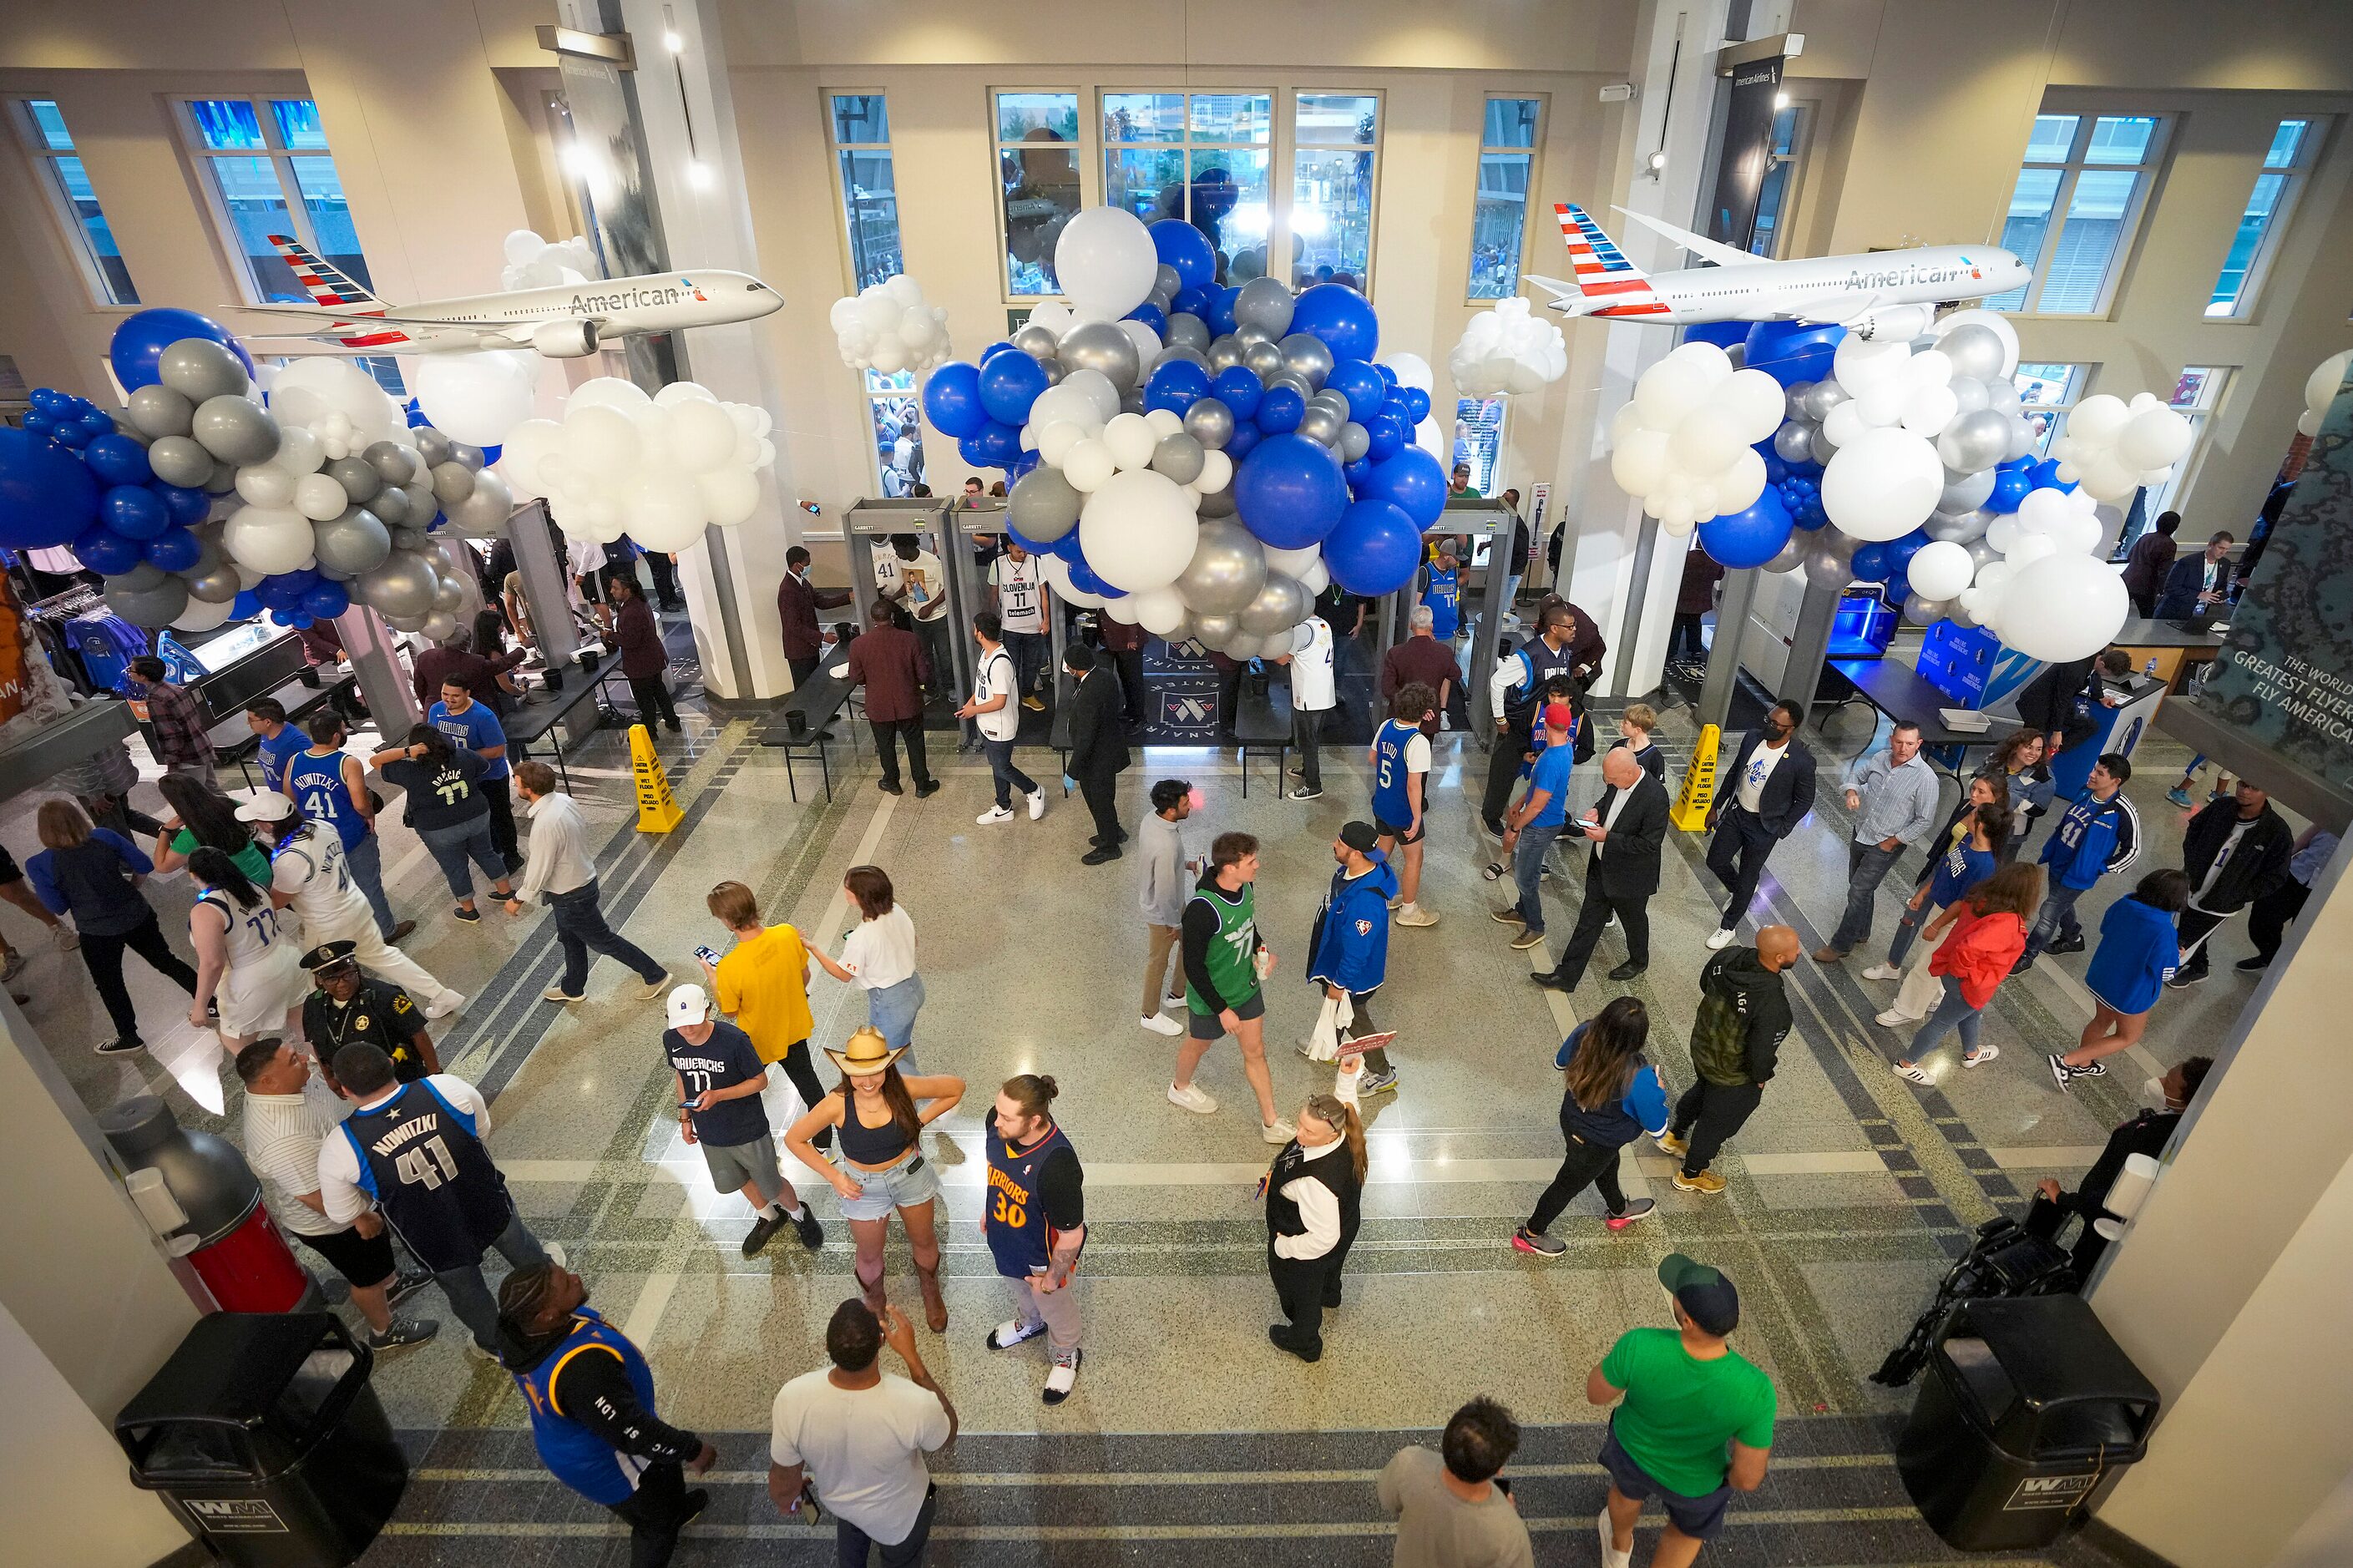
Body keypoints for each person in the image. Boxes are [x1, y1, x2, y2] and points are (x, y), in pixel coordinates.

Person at [316, 1042, 560, 1362]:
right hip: (483, 1199)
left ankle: (495, 1344)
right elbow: (481, 1131)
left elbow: (341, 1212)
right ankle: (553, 1294)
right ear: (391, 1064)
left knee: (466, 1290)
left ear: (345, 1089)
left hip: (430, 1233)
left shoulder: (340, 1146)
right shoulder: (446, 1088)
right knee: (520, 1245)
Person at [498, 1262, 714, 1568]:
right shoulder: (581, 1372)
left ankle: (674, 1508)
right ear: (545, 1315)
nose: (576, 1277)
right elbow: (633, 1432)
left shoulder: (527, 1334)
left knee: (661, 1493)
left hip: (569, 1444)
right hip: (610, 1460)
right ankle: (667, 1518)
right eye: (566, 1284)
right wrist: (691, 1449)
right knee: (655, 1525)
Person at [235, 1039, 438, 1352]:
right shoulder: (281, 1137)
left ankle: (392, 1283)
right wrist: (360, 1216)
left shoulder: (290, 1085)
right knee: (364, 1276)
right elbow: (313, 1195)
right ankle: (383, 1330)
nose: (304, 1059)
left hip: (353, 1190)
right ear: (268, 1081)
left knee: (378, 1256)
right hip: (335, 1222)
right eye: (292, 1060)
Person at [1587, 1255, 1775, 1568]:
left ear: (1687, 1321)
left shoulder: (1640, 1345)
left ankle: (1618, 1549)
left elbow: (1596, 1394)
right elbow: (1747, 1479)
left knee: (1625, 1496)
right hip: (1697, 1482)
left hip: (1631, 1451)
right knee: (1685, 1534)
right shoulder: (1756, 1389)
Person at [783, 1028, 963, 1329]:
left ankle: (930, 1289)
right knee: (868, 1254)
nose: (867, 1082)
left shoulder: (903, 1088)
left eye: (875, 1071)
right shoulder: (837, 1103)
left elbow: (955, 1088)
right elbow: (795, 1139)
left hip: (910, 1174)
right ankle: (875, 1300)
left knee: (925, 1239)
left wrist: (918, 1121)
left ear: (888, 1066)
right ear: (846, 1071)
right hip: (862, 1186)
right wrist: (834, 1177)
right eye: (857, 1073)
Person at [767, 1298, 955, 1565]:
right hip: (900, 1518)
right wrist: (913, 1359)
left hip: (843, 1507)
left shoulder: (792, 1397)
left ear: (826, 1346)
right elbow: (947, 1435)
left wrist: (788, 1499)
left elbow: (783, 1483)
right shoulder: (915, 1403)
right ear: (881, 1342)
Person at [242, 791, 463, 1017]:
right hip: (354, 905)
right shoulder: (319, 826)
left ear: (269, 825)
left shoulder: (289, 857)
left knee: (311, 973)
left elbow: (279, 901)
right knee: (383, 956)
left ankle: (328, 1024)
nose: (255, 825)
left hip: (326, 925)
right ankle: (441, 995)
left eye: (257, 821)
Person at [664, 983, 824, 1257]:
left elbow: (760, 1081)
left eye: (693, 1022)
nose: (687, 1030)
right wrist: (685, 1118)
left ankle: (798, 1213)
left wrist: (719, 1096)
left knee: (771, 1182)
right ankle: (769, 1216)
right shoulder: (672, 1039)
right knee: (736, 1179)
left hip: (747, 1129)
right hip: (710, 1131)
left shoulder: (734, 1040)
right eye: (680, 1024)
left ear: (708, 1010)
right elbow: (681, 1075)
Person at [28, 797, 191, 1055]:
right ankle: (211, 1003)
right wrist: (133, 887)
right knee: (166, 961)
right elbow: (144, 866)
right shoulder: (104, 836)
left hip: (96, 931)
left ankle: (129, 1036)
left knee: (110, 984)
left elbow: (57, 907)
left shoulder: (38, 864)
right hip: (136, 914)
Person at [504, 761, 673, 1005]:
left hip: (570, 896)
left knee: (603, 941)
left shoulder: (545, 823)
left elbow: (539, 868)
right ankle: (572, 988)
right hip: (581, 882)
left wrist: (518, 898)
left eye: (517, 782)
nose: (515, 785)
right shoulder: (563, 801)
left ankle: (655, 975)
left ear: (529, 789)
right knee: (570, 938)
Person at [2027, 1058, 2213, 1275]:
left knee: (2083, 1268)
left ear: (2188, 1101)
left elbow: (2113, 1197)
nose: (2160, 1081)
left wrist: (2063, 1199)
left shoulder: (2158, 1138)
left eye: (2168, 1083)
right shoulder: (2170, 1123)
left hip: (2103, 1224)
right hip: (2098, 1213)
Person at [1168, 832, 1294, 1143]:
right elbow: (1192, 967)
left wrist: (1261, 949)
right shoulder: (1201, 911)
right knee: (1200, 1044)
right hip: (1212, 998)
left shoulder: (1246, 887)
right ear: (1229, 867)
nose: (1258, 866)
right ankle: (1179, 1087)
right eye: (1251, 862)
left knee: (1256, 1052)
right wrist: (1221, 1010)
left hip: (1246, 987)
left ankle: (1271, 1122)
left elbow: (1248, 925)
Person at [1513, 998, 1666, 1254]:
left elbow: (1560, 1062)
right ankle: (1531, 1233)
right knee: (1566, 1185)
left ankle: (1618, 1210)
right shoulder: (1638, 1078)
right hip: (1599, 1137)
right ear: (1637, 1039)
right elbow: (1657, 1129)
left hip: (1572, 1117)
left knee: (1606, 1163)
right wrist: (1659, 1092)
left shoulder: (1584, 1032)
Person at [1658, 926, 1797, 1196]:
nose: (1799, 951)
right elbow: (1759, 1055)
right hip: (1733, 1073)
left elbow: (1703, 983)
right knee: (1716, 1123)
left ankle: (1674, 1135)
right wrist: (1759, 1081)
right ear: (1780, 958)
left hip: (1704, 1048)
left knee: (1703, 1090)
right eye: (1795, 949)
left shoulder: (1729, 956)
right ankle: (1691, 1174)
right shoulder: (1773, 1005)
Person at [981, 1073, 1086, 1405]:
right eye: (998, 1111)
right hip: (1007, 1240)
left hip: (1042, 1258)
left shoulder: (1057, 1165)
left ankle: (1066, 1353)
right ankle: (1030, 1324)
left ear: (1034, 1120)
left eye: (1007, 1117)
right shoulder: (997, 1123)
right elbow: (994, 1165)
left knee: (1054, 1307)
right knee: (1020, 1291)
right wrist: (990, 1205)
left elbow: (1072, 1233)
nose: (996, 1121)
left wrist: (1052, 1279)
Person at [702, 880, 830, 1149]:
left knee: (744, 1092)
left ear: (726, 920)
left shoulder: (729, 967)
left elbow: (730, 1011)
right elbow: (804, 975)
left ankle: (756, 1147)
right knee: (810, 1086)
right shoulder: (786, 934)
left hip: (756, 1042)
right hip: (793, 1030)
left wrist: (713, 978)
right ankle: (823, 1143)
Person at [1888, 862, 2041, 1084]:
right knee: (1941, 1023)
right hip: (1971, 982)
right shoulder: (2007, 922)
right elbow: (1969, 948)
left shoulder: (1981, 899)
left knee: (1970, 1012)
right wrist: (1963, 976)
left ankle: (1972, 1053)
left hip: (1950, 971)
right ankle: (1906, 1063)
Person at [1533, 746, 1668, 990]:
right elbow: (1608, 800)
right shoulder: (1618, 782)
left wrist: (1607, 837)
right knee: (1587, 923)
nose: (1608, 782)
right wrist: (1598, 810)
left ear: (1629, 773)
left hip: (1631, 879)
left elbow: (1649, 844)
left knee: (1634, 922)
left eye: (1612, 779)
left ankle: (1639, 960)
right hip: (1602, 869)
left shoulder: (1655, 797)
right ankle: (1566, 976)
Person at [1864, 797, 2011, 1021]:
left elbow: (1964, 903)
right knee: (1932, 958)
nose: (1968, 816)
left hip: (1952, 919)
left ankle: (1907, 1010)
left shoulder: (1985, 865)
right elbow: (1946, 869)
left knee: (1926, 965)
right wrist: (1923, 894)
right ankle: (1935, 994)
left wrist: (1936, 924)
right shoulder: (1967, 841)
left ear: (1981, 825)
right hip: (1940, 908)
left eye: (1973, 815)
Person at [2049, 869, 2190, 1087]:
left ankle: (2084, 1064)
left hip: (2102, 976)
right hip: (2130, 992)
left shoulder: (2124, 903)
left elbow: (2105, 928)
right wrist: (2176, 956)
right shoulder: (2164, 930)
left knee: (2101, 1020)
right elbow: (2165, 972)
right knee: (2127, 1036)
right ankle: (2067, 1061)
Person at [1814, 721, 1940, 963]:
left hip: (1885, 844)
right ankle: (1862, 931)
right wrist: (1851, 792)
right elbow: (1856, 775)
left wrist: (1892, 842)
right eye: (1899, 742)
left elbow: (1924, 821)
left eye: (1910, 744)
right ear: (1891, 739)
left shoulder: (1926, 779)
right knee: (1860, 886)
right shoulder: (1881, 758)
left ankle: (1841, 944)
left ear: (1919, 744)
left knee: (1858, 890)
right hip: (1862, 831)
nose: (1903, 748)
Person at [283, 711, 405, 943]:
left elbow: (289, 800)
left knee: (334, 889)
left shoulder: (294, 761)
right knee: (369, 886)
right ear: (336, 736)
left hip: (316, 840)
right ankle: (386, 931)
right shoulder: (347, 762)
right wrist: (369, 816)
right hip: (350, 836)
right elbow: (360, 803)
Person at [372, 724, 514, 923]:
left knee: (455, 867)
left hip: (438, 828)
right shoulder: (463, 755)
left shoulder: (408, 770)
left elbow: (375, 761)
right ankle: (506, 891)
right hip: (476, 815)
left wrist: (407, 752)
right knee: (486, 852)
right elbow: (484, 767)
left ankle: (469, 910)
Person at [1704, 702, 1817, 949]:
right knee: (1715, 860)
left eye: (1777, 724)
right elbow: (1735, 772)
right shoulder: (1753, 738)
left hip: (1765, 826)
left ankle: (1728, 926)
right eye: (1769, 720)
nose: (1770, 726)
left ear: (1791, 729)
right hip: (1737, 813)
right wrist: (1716, 805)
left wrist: (1782, 827)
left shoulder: (1801, 760)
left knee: (1748, 875)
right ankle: (1739, 892)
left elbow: (1805, 799)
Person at [1263, 1092, 1366, 1363]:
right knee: (1330, 1270)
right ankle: (1331, 1294)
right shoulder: (1341, 1130)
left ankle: (1304, 1341)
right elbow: (1345, 1103)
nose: (1299, 1135)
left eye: (1308, 1131)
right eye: (1300, 1123)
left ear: (1330, 1136)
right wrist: (1346, 1077)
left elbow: (1324, 1238)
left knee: (1303, 1296)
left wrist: (1284, 1247)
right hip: (1348, 1221)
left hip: (1308, 1251)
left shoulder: (1316, 1183)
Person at [2015, 753, 2141, 972]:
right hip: (2059, 862)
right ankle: (2072, 936)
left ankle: (2028, 954)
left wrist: (2102, 867)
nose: (2091, 775)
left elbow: (2133, 850)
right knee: (2061, 903)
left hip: (2080, 873)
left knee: (2048, 912)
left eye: (2099, 773)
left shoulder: (2122, 811)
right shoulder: (2086, 792)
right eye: (2094, 769)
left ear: (2116, 781)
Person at [1376, 1397, 1536, 1568]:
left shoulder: (1408, 1463)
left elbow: (1387, 1500)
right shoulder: (1510, 1534)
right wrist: (1505, 1514)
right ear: (1499, 1469)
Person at [1304, 822, 1403, 1097]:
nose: (1334, 845)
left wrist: (1341, 982)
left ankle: (1383, 1073)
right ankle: (1327, 1047)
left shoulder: (1366, 903)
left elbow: (1358, 951)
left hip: (1353, 977)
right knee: (1335, 1008)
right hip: (1337, 961)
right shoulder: (1351, 872)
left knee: (1355, 1020)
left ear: (1357, 853)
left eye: (1340, 843)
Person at [2168, 779, 2294, 988]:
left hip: (2221, 902)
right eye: (2243, 784)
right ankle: (2200, 967)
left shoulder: (2276, 832)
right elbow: (2194, 830)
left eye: (2255, 787)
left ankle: (2178, 966)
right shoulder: (2221, 807)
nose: (2245, 791)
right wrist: (2191, 863)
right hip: (2193, 885)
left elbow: (2275, 876)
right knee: (2192, 930)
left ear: (2268, 792)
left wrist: (2238, 894)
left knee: (2184, 940)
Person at [186, 847, 306, 1049]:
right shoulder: (255, 887)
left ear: (193, 875)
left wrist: (200, 1005)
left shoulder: (207, 909)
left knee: (241, 1048)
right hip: (289, 958)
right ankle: (330, 1075)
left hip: (250, 981)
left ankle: (277, 1080)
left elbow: (213, 963)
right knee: (305, 1030)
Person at [1481, 602, 1584, 832]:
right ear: (1554, 628)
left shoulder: (1565, 654)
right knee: (1504, 773)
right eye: (1570, 626)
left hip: (1546, 726)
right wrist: (1500, 720)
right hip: (1519, 724)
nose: (1574, 630)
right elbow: (1497, 682)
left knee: (1545, 773)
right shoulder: (1528, 655)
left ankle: (1550, 816)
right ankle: (1492, 815)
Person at [808, 866, 927, 1057]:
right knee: (901, 1046)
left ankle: (907, 1086)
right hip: (914, 988)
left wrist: (814, 948)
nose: (844, 890)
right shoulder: (897, 910)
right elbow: (914, 941)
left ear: (860, 896)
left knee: (886, 1058)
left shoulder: (862, 936)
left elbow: (843, 974)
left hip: (890, 1001)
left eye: (848, 887)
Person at [299, 939, 438, 1088]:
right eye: (333, 979)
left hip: (403, 1079)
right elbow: (317, 1044)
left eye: (348, 975)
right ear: (319, 981)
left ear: (357, 970)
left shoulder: (386, 996)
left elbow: (418, 1033)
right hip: (359, 1088)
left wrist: (435, 1074)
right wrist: (330, 1078)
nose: (342, 984)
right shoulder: (313, 1006)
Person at [1495, 701, 1576, 954]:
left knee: (1525, 877)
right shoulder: (1563, 749)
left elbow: (1538, 805)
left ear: (1545, 723)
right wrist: (1520, 801)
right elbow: (1536, 789)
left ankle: (1536, 925)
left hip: (1540, 824)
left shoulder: (1552, 759)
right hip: (1545, 819)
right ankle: (1521, 910)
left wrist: (1515, 827)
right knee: (1526, 866)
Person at [958, 611, 1045, 826]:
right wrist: (972, 702)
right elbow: (982, 685)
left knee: (1002, 767)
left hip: (1000, 725)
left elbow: (1000, 701)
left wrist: (973, 711)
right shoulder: (985, 654)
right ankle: (1004, 806)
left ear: (979, 633)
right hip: (987, 723)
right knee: (997, 765)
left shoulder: (1000, 663)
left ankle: (1033, 790)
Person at [429, 673, 522, 874]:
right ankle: (494, 849)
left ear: (467, 694)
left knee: (500, 815)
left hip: (490, 777)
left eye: (455, 696)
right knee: (478, 818)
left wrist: (464, 758)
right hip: (460, 777)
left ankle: (512, 855)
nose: (449, 700)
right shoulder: (436, 711)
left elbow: (497, 750)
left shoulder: (483, 716)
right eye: (445, 694)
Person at [845, 599, 938, 797]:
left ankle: (891, 781)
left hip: (878, 704)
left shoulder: (859, 644)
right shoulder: (910, 639)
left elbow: (856, 677)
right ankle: (922, 784)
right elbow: (923, 675)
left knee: (885, 744)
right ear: (893, 617)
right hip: (908, 701)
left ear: (872, 619)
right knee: (915, 742)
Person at [1369, 684, 1438, 928]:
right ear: (1424, 711)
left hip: (1381, 803)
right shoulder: (1418, 742)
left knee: (1381, 854)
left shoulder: (1386, 726)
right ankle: (1409, 911)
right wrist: (1417, 817)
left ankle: (1373, 896)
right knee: (1414, 859)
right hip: (1402, 810)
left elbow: (1373, 758)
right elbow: (1413, 785)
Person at [1136, 779, 1200, 1037]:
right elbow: (1164, 891)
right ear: (1172, 809)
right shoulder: (1167, 845)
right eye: (1186, 803)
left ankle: (1178, 993)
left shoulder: (1152, 819)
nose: (1191, 806)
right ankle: (1149, 1014)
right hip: (1163, 912)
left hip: (1170, 903)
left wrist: (1185, 864)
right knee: (1158, 961)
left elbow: (1163, 865)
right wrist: (1174, 924)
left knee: (1191, 943)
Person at [1063, 645, 1131, 862]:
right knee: (1105, 798)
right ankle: (1112, 831)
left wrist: (1072, 771)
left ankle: (1110, 846)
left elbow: (1085, 737)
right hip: (1110, 749)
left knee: (1098, 800)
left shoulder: (1088, 695)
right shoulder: (1104, 676)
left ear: (1075, 668)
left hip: (1097, 758)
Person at [2243, 827, 2337, 973]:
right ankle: (2271, 959)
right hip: (2298, 871)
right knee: (2261, 917)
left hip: (2327, 891)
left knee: (2303, 940)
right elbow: (2320, 826)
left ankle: (2282, 976)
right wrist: (2288, 854)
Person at [606, 573, 679, 735]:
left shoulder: (632, 611)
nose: (612, 591)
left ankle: (650, 732)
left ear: (627, 590)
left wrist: (610, 636)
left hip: (641, 664)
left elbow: (631, 641)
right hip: (653, 658)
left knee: (645, 700)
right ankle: (672, 721)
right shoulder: (640, 602)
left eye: (615, 588)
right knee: (660, 691)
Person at [1274, 612, 1336, 801]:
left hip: (1309, 695)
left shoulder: (1302, 630)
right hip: (1324, 692)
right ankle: (1308, 770)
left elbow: (1281, 659)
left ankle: (1313, 785)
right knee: (1312, 737)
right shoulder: (1323, 623)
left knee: (1308, 741)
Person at [125, 655, 214, 784]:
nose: (129, 673)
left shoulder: (156, 698)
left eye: (131, 670)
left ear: (143, 676)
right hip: (202, 747)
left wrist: (172, 764)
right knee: (214, 793)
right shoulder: (174, 688)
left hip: (188, 758)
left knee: (195, 799)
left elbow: (171, 734)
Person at [777, 544, 853, 687]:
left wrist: (848, 597)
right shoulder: (787, 590)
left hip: (810, 647)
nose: (809, 567)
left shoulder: (802, 582)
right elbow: (793, 626)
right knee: (805, 690)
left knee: (815, 685)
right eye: (807, 564)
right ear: (796, 565)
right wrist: (822, 637)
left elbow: (822, 602)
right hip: (799, 652)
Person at [879, 534, 952, 680]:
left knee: (944, 655)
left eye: (898, 550)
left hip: (938, 618)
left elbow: (948, 589)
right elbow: (908, 585)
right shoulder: (902, 561)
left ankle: (950, 686)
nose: (896, 554)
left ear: (909, 547)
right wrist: (893, 598)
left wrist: (930, 607)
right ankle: (931, 688)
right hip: (916, 617)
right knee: (924, 656)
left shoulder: (932, 563)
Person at [1379, 606, 1461, 736]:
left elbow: (1388, 688)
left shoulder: (1395, 653)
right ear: (1431, 626)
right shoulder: (1443, 653)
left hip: (1400, 718)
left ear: (1411, 625)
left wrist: (1414, 707)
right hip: (1429, 719)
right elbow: (1456, 675)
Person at [989, 539, 1050, 711]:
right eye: (1019, 552)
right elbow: (993, 595)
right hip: (1010, 626)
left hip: (1034, 625)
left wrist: (1046, 620)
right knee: (1011, 665)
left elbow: (1043, 593)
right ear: (1008, 548)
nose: (1023, 555)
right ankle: (1012, 697)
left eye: (1025, 551)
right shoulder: (998, 564)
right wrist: (992, 620)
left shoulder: (1036, 563)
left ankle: (1027, 695)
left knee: (1032, 664)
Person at [1981, 730, 2057, 858]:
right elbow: (1975, 779)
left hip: (2010, 834)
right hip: (1980, 821)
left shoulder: (2045, 778)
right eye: (2029, 747)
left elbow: (2038, 810)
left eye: (2039, 749)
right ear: (2015, 746)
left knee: (2000, 870)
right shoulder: (1995, 759)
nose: (2034, 753)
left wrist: (2003, 798)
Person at [2153, 529, 2236, 619]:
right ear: (2211, 545)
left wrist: (2221, 594)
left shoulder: (2225, 564)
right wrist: (2198, 595)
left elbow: (2222, 585)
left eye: (2227, 549)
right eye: (2221, 548)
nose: (2223, 552)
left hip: (2201, 614)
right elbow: (2171, 587)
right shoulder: (2188, 562)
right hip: (2175, 612)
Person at [1668, 547, 1724, 665]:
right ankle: (1695, 650)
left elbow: (1675, 570)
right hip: (1701, 599)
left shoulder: (1688, 557)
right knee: (1694, 623)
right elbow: (1720, 576)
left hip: (1682, 597)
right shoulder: (1715, 560)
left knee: (1676, 625)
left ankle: (1671, 651)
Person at [2120, 511, 2180, 620]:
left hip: (2128, 579)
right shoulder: (2169, 544)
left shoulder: (2146, 537)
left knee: (2115, 607)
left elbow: (2130, 556)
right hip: (2146, 585)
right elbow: (2163, 570)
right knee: (2148, 617)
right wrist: (2164, 590)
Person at [244, 698, 310, 790]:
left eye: (251, 720)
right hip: (278, 797)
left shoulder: (297, 742)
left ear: (268, 722)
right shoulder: (266, 733)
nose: (247, 723)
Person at [1612, 703, 1667, 786]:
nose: (1621, 723)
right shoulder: (1618, 745)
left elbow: (1655, 789)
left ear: (1637, 730)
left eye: (1625, 722)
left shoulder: (1655, 758)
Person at [1419, 549, 1462, 644]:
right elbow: (1416, 604)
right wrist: (1424, 630)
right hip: (1431, 633)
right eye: (1456, 558)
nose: (1458, 562)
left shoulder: (1454, 571)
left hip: (1450, 632)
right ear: (1446, 556)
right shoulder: (1425, 571)